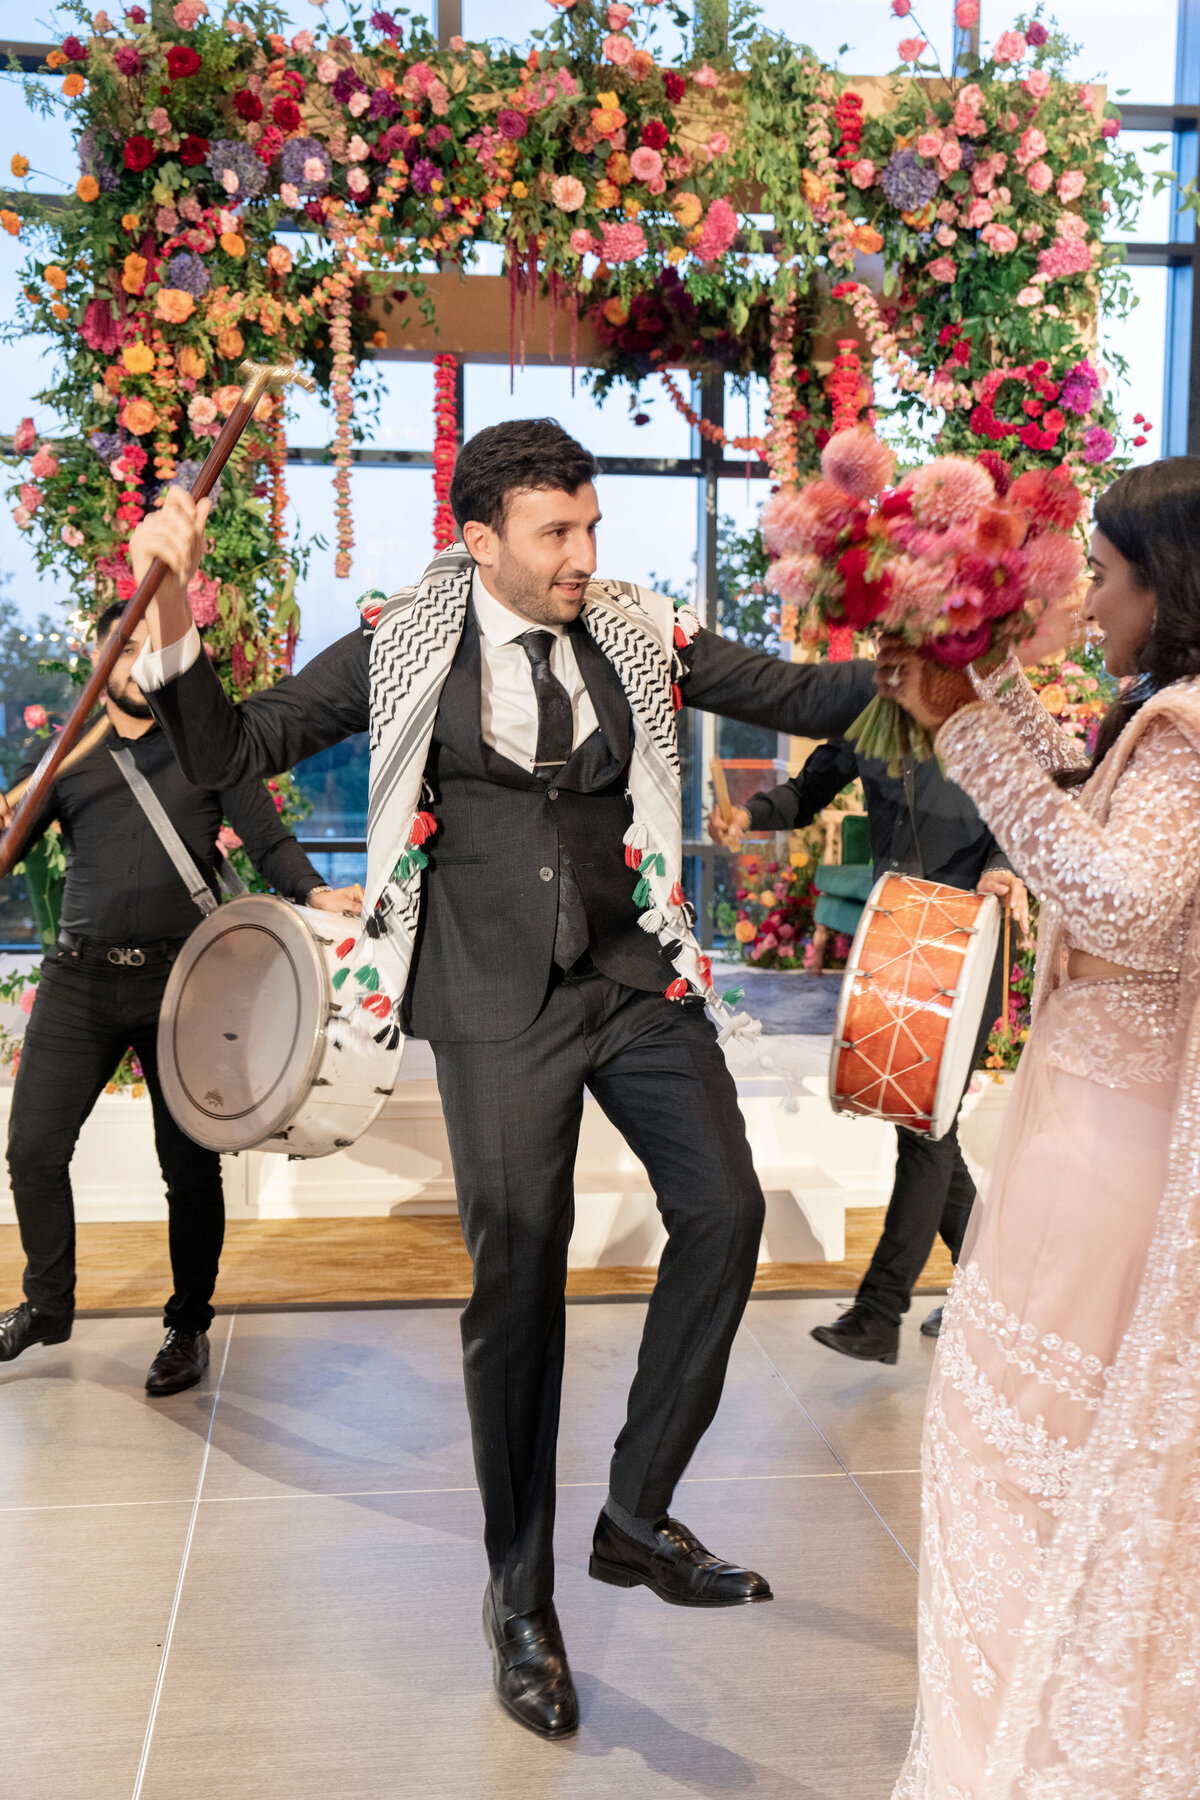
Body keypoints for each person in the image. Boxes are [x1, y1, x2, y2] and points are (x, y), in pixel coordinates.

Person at [126, 417, 885, 1740]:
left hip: (632, 976)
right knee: (517, 1289)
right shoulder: (408, 640)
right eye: (558, 533)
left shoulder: (639, 628)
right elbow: (226, 753)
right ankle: (520, 1602)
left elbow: (797, 694)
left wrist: (931, 659)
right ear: (483, 540)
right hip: (487, 1000)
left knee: (726, 1211)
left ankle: (638, 1516)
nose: (585, 554)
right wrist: (176, 619)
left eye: (592, 527)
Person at [882, 456, 1200, 1799]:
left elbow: (1125, 906)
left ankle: (1019, 1746)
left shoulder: (1189, 727)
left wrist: (962, 734)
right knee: (1021, 1443)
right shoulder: (1168, 716)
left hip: (1109, 1146)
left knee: (1019, 1446)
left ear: (1168, 586)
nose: (1099, 601)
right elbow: (1085, 794)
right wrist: (989, 689)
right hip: (1090, 1123)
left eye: (1113, 578)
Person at [0, 603, 360, 1395]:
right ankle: (47, 1306)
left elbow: (270, 842)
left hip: (183, 985)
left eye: (147, 648)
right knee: (31, 1150)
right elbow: (8, 844)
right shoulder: (63, 755)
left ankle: (187, 1326)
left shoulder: (207, 749)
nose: (135, 662)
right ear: (98, 666)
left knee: (188, 1167)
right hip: (79, 978)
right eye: (120, 650)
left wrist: (316, 891)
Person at [708, 710, 1027, 1364]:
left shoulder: (990, 720)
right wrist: (750, 814)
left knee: (924, 1128)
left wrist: (998, 867)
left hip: (968, 948)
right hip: (896, 949)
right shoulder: (870, 719)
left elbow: (1023, 817)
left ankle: (880, 1313)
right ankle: (1000, 1299)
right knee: (930, 1127)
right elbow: (809, 790)